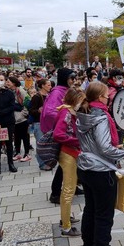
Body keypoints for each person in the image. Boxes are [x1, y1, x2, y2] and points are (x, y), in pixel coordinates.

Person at [76, 81, 124, 246]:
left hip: (85, 168)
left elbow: (92, 143)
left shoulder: (82, 114)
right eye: (105, 94)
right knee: (104, 214)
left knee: (91, 209)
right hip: (101, 171)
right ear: (99, 97)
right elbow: (103, 147)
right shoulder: (100, 117)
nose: (109, 96)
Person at [41, 68, 76, 204]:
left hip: (67, 132)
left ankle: (74, 185)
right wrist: (66, 119)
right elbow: (50, 112)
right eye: (71, 78)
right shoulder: (57, 92)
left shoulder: (65, 91)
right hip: (61, 134)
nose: (73, 81)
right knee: (64, 164)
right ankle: (55, 193)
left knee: (72, 163)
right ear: (63, 78)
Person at [54, 88, 85, 237]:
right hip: (68, 153)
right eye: (81, 100)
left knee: (69, 188)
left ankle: (65, 218)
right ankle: (66, 227)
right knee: (68, 190)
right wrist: (77, 141)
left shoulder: (68, 112)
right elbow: (58, 134)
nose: (82, 103)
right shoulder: (66, 113)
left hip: (70, 152)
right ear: (75, 100)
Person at [0, 74, 20, 175]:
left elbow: (11, 107)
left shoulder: (10, 93)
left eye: (1, 79)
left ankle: (10, 163)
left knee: (9, 143)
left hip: (8, 121)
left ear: (5, 81)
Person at [7, 76, 31, 162]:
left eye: (8, 81)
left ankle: (27, 154)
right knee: (17, 136)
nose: (7, 83)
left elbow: (28, 102)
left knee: (25, 136)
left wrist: (23, 114)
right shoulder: (11, 91)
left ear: (13, 83)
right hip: (15, 118)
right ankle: (17, 153)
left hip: (22, 118)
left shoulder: (20, 91)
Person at [30, 78, 52, 170]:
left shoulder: (50, 96)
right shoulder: (37, 97)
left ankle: (49, 162)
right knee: (40, 144)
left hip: (48, 123)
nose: (50, 87)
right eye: (48, 85)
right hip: (38, 123)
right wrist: (38, 111)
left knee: (49, 144)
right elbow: (31, 110)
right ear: (42, 86)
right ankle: (42, 164)